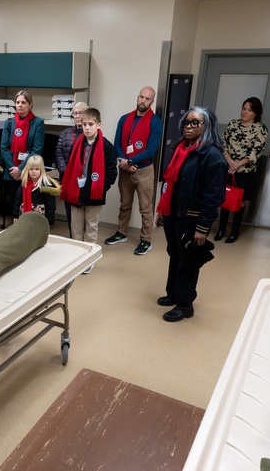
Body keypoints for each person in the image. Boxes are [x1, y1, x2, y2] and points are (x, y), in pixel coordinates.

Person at [155, 106, 226, 322]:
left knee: (188, 260)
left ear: (207, 126)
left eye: (195, 123)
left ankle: (185, 304)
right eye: (186, 122)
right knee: (175, 254)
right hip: (172, 213)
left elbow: (213, 197)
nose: (189, 126)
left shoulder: (212, 156)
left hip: (192, 217)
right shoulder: (181, 149)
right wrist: (162, 210)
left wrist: (202, 228)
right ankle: (173, 294)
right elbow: (169, 184)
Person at [105, 86, 164, 256]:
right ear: (137, 97)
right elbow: (117, 144)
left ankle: (146, 240)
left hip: (144, 171)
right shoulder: (125, 119)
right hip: (125, 169)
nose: (143, 101)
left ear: (152, 101)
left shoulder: (155, 122)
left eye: (147, 98)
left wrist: (130, 161)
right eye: (141, 97)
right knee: (124, 204)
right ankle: (121, 233)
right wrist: (124, 162)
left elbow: (151, 151)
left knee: (145, 207)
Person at [59, 108, 116, 274]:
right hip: (76, 193)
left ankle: (89, 259)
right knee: (76, 227)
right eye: (84, 124)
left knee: (91, 228)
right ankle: (77, 256)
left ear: (99, 125)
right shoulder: (78, 144)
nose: (87, 128)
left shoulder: (106, 146)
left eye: (91, 124)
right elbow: (71, 167)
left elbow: (112, 171)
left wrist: (101, 188)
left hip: (94, 195)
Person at [217, 96, 267, 243]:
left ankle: (235, 231)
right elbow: (222, 143)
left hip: (245, 172)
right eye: (244, 109)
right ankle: (221, 229)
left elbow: (256, 151)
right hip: (228, 168)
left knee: (239, 201)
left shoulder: (260, 128)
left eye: (249, 110)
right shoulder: (233, 124)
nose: (245, 112)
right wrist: (230, 162)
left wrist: (237, 165)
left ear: (256, 113)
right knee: (224, 197)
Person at [0, 90, 47, 223]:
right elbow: (4, 147)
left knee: (30, 202)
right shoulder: (9, 122)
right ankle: (18, 227)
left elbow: (36, 149)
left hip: (29, 170)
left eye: (23, 102)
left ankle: (28, 227)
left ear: (30, 104)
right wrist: (14, 169)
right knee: (15, 202)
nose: (20, 105)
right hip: (11, 171)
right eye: (17, 102)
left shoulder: (38, 123)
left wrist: (21, 168)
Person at [54, 101, 87, 234]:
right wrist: (66, 171)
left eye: (81, 113)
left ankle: (83, 239)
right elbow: (58, 154)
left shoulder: (90, 133)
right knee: (70, 211)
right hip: (67, 178)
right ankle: (73, 237)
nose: (77, 116)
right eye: (75, 113)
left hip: (84, 179)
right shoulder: (65, 133)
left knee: (84, 212)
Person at [13, 154, 60, 222]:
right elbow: (18, 199)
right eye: (31, 169)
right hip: (24, 218)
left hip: (40, 220)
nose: (34, 171)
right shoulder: (24, 183)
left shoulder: (46, 185)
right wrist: (15, 215)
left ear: (41, 170)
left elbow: (50, 205)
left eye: (37, 169)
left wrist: (49, 220)